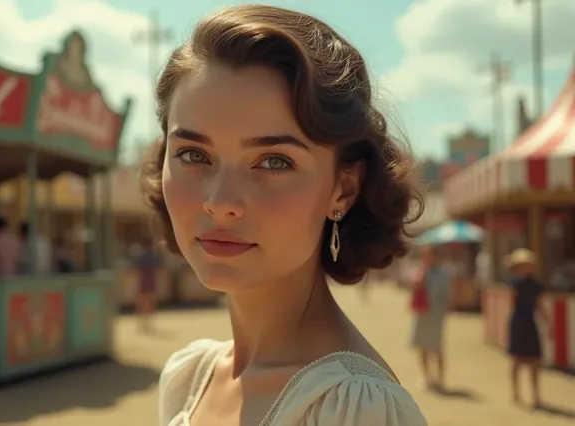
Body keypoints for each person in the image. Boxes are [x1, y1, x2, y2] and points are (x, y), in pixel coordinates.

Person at [141, 5, 426, 425]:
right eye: (193, 154)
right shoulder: (190, 376)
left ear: (343, 188)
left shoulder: (353, 410)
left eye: (274, 162)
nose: (220, 201)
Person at [504, 248, 550, 407]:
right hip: (518, 322)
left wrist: (548, 324)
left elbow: (540, 306)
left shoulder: (536, 285)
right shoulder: (514, 284)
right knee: (516, 359)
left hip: (530, 321)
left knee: (535, 360)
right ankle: (515, 392)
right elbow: (511, 305)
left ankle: (536, 395)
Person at [410, 246, 452, 391]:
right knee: (422, 347)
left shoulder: (443, 273)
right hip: (422, 314)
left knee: (437, 347)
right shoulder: (419, 271)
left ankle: (440, 378)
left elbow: (446, 295)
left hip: (435, 314)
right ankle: (427, 377)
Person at [135, 238, 162, 332]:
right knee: (150, 302)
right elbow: (159, 268)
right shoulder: (153, 256)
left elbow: (138, 269)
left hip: (144, 280)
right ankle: (147, 321)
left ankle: (143, 321)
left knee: (143, 302)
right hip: (150, 280)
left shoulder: (142, 256)